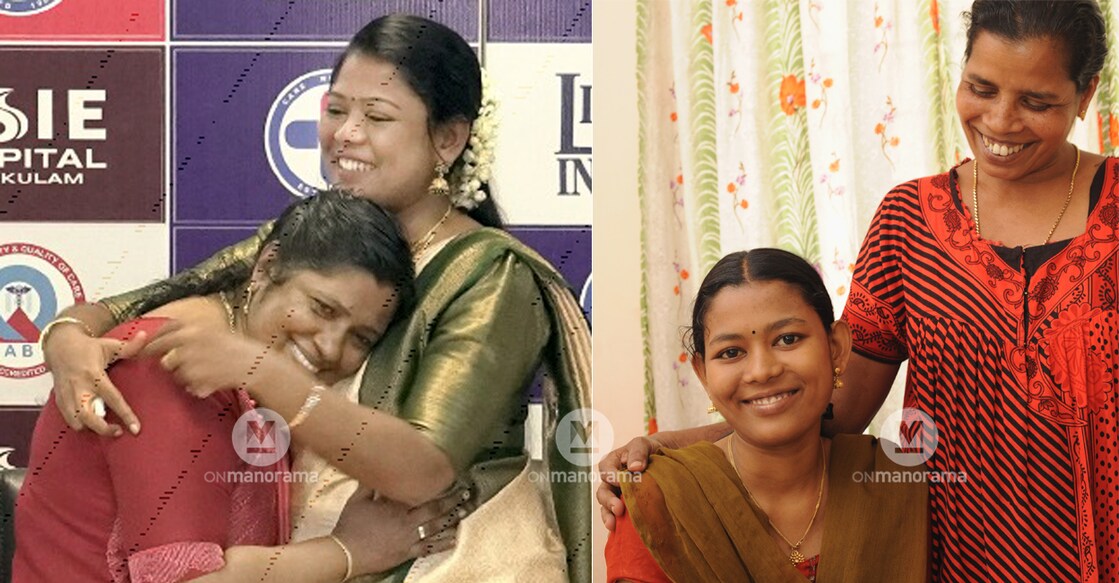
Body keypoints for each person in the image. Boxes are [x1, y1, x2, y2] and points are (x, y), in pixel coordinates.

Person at [39, 13, 590, 583]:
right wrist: (67, 337)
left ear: (448, 139)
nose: (346, 134)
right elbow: (143, 302)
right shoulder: (320, 239)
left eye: (376, 117)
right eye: (336, 110)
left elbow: (426, 471)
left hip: (455, 560)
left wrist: (260, 373)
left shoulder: (490, 274)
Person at [599, 1, 1119, 581]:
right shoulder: (910, 221)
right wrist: (671, 445)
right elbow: (829, 408)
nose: (1000, 121)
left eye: (1036, 102)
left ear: (1087, 92)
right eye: (981, 87)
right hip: (950, 559)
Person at [15, 190, 470, 582]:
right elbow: (186, 578)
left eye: (360, 338)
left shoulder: (257, 384)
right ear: (266, 268)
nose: (332, 348)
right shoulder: (163, 365)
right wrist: (349, 552)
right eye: (322, 309)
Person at [604, 249, 927, 582]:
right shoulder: (659, 501)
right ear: (702, 373)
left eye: (788, 339)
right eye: (731, 352)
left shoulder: (900, 486)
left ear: (836, 350)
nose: (762, 371)